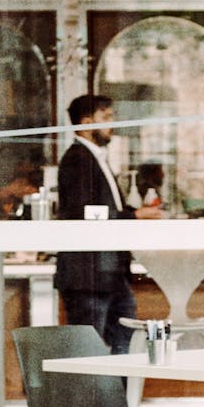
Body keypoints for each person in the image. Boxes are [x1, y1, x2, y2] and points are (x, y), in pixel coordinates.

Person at [55, 94, 161, 354]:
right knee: (89, 350)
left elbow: (104, 208)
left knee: (125, 341)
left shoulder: (93, 158)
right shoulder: (77, 160)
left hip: (108, 272)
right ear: (86, 122)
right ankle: (100, 396)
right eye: (106, 117)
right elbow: (86, 213)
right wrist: (135, 216)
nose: (112, 123)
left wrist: (135, 212)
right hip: (89, 275)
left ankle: (119, 395)